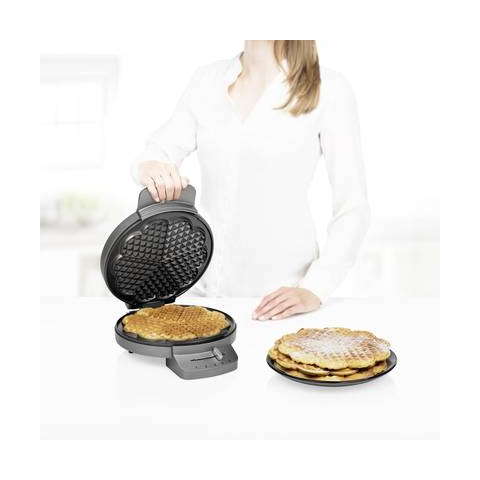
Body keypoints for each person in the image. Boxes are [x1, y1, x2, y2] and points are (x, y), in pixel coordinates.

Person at [131, 40, 370, 321]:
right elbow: (157, 152)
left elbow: (353, 207)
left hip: (281, 304)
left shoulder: (329, 88)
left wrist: (315, 288)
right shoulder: (207, 81)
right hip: (199, 296)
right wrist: (151, 167)